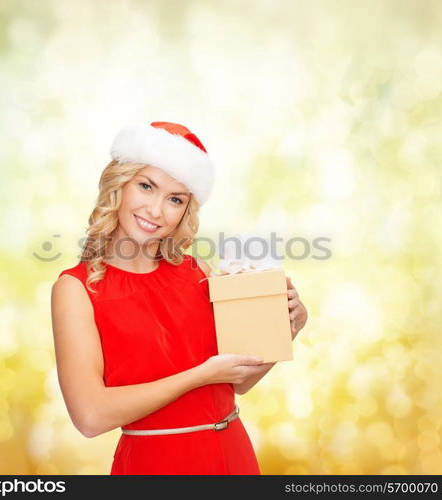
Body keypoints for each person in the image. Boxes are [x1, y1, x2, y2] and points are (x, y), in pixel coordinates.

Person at [51, 121, 308, 475]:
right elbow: (90, 416)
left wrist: (285, 327)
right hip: (155, 463)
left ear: (185, 211)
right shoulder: (76, 289)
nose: (156, 211)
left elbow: (240, 381)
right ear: (119, 185)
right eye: (146, 186)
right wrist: (199, 376)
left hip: (234, 455)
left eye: (175, 199)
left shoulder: (198, 272)